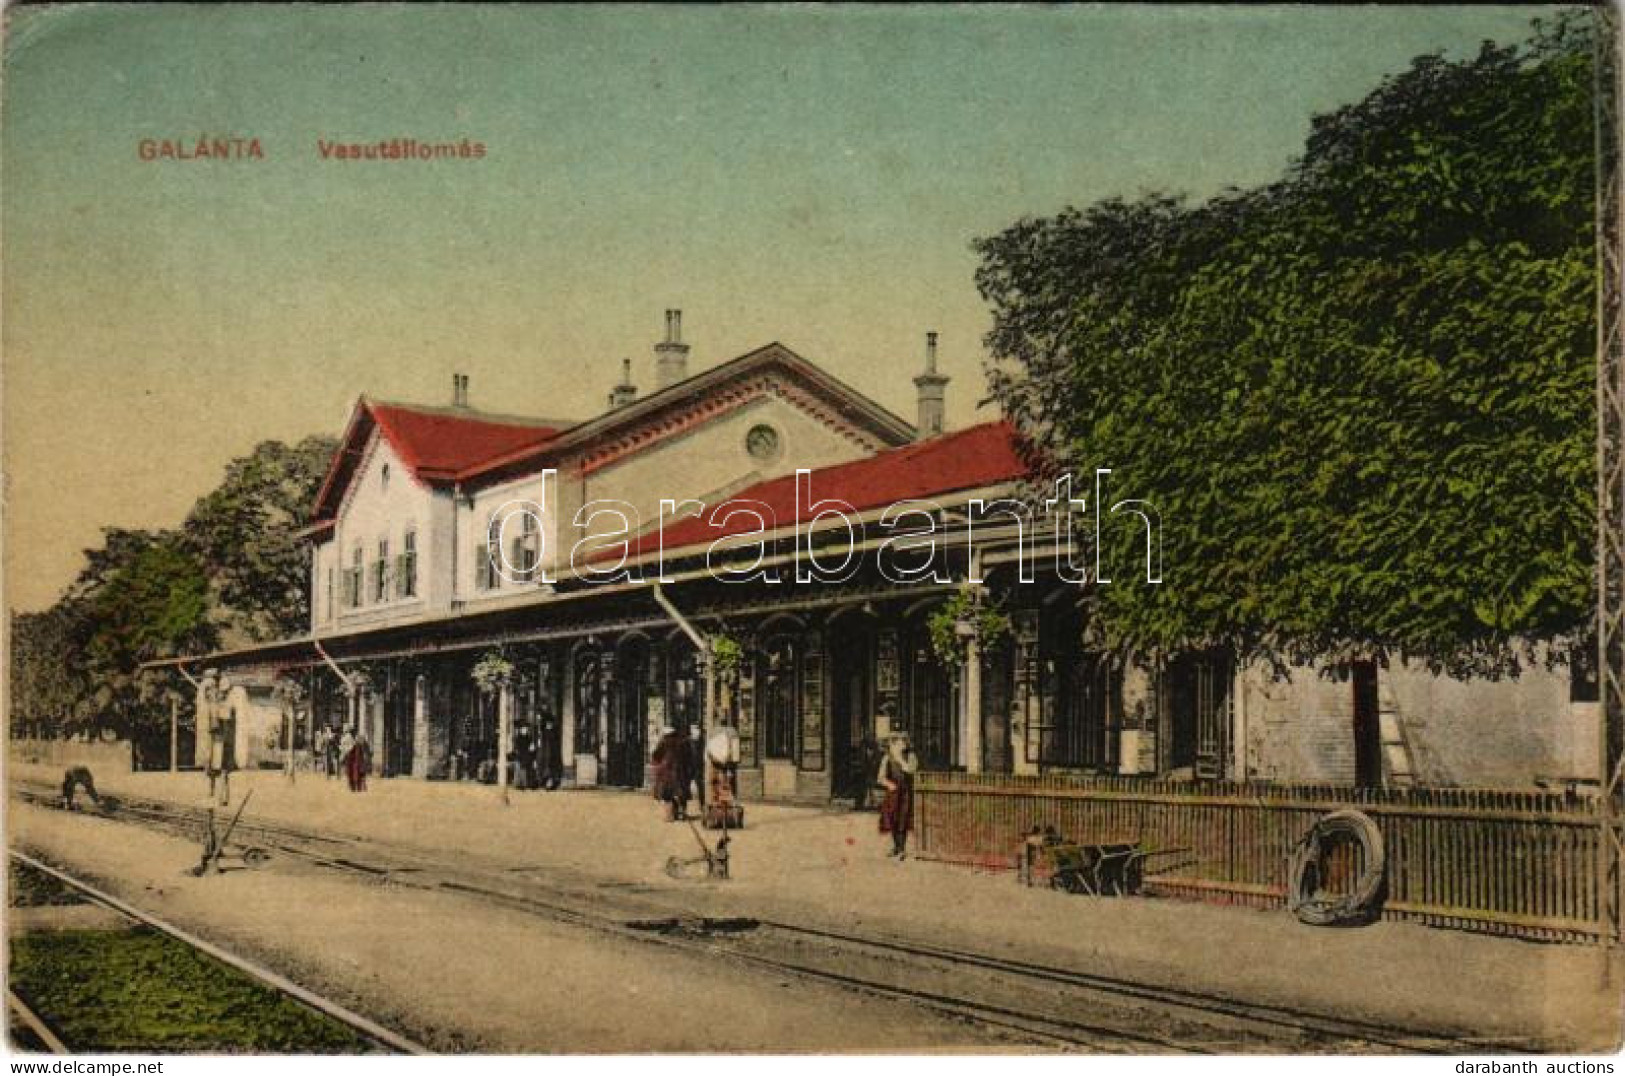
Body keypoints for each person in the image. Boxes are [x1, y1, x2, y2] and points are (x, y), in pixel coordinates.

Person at [877, 732, 919, 859]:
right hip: (893, 792)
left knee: (903, 818)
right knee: (892, 818)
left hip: (906, 791)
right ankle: (896, 847)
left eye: (903, 742)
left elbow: (911, 770)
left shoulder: (910, 756)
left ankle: (902, 849)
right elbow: (880, 777)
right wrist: (889, 784)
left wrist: (900, 759)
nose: (901, 744)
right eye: (898, 742)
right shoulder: (887, 758)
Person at [650, 724, 693, 821]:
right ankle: (682, 814)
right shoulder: (683, 742)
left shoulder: (663, 741)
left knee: (667, 795)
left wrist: (657, 765)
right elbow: (689, 757)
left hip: (667, 772)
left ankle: (669, 815)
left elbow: (656, 755)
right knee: (681, 793)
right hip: (680, 771)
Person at [685, 723, 707, 810]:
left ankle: (702, 805)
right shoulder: (688, 741)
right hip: (690, 766)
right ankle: (684, 807)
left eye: (696, 728)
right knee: (685, 786)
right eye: (693, 729)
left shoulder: (702, 740)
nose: (695, 730)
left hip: (699, 766)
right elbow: (686, 754)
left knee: (701, 786)